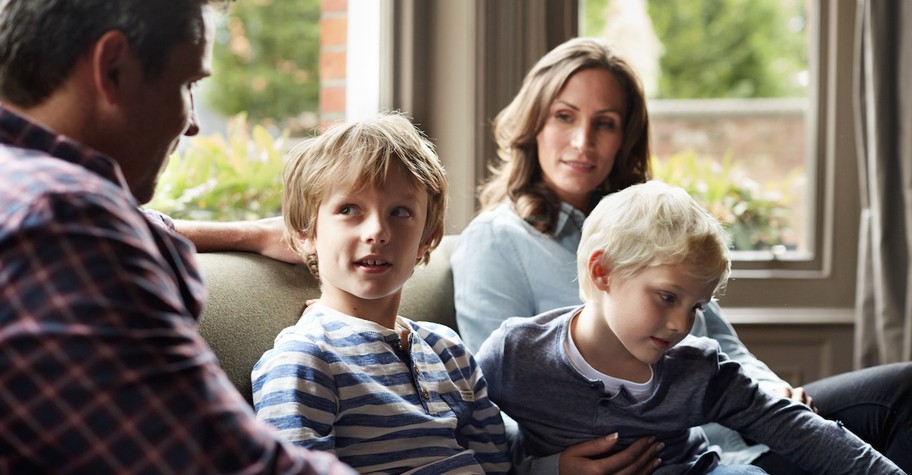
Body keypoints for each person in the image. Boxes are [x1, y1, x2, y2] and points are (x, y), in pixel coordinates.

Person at [450, 36, 912, 474]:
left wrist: (770, 388)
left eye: (605, 123)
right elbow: (493, 404)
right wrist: (550, 469)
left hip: (732, 429)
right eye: (564, 116)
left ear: (624, 137)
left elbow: (724, 346)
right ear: (534, 124)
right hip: (653, 458)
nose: (583, 141)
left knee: (901, 391)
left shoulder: (650, 226)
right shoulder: (497, 242)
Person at [0, 1, 356, 473]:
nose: (192, 123)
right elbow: (232, 464)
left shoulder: (27, 194)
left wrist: (250, 234)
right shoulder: (63, 221)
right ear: (114, 68)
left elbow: (136, 222)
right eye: (187, 83)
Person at [476, 180, 904, 474]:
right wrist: (547, 469)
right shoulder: (514, 354)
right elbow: (469, 443)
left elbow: (800, 430)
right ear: (603, 272)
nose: (683, 323)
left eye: (697, 306)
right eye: (667, 297)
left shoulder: (698, 369)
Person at [250, 112, 511, 474]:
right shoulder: (305, 359)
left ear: (427, 239)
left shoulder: (449, 352)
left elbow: (498, 466)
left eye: (400, 212)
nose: (376, 231)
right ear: (303, 233)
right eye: (348, 209)